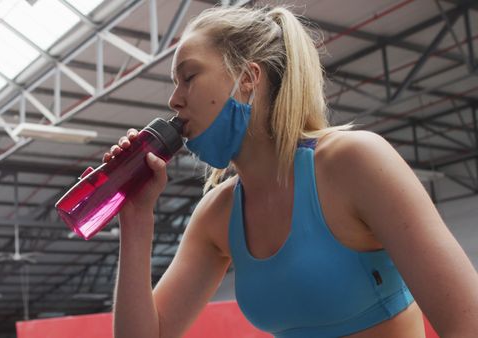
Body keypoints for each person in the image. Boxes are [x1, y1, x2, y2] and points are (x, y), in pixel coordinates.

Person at [105, 5, 478, 338]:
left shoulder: (353, 162)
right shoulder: (216, 217)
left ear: (248, 78)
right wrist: (136, 220)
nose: (174, 99)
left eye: (189, 77)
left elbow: (468, 323)